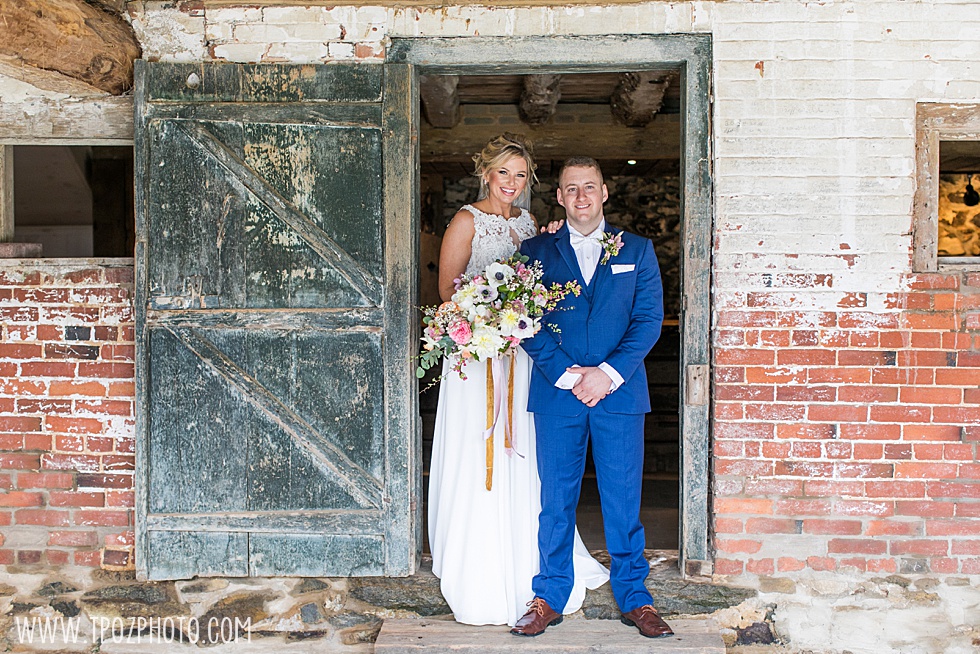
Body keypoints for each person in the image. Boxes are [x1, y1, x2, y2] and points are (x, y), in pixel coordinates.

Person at [428, 135, 609, 627]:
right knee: (480, 450)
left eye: (521, 175)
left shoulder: (532, 225)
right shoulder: (467, 220)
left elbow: (542, 287)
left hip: (525, 356)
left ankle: (536, 568)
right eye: (504, 173)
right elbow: (448, 293)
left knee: (528, 453)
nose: (512, 183)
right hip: (479, 355)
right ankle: (480, 563)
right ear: (486, 173)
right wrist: (490, 324)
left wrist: (521, 317)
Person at [513, 157, 673, 639]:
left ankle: (636, 598)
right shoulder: (533, 250)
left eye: (590, 187)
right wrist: (565, 375)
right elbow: (522, 320)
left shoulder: (638, 250)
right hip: (558, 395)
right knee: (556, 500)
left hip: (619, 395)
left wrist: (606, 374)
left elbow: (647, 322)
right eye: (571, 189)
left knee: (623, 500)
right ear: (559, 197)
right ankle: (549, 596)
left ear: (604, 192)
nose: (581, 196)